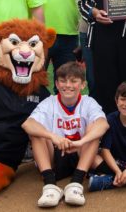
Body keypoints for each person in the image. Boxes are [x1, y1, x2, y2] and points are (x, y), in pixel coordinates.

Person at [24, 61, 109, 208]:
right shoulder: (49, 102)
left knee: (93, 130)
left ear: (83, 85)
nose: (67, 85)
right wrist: (53, 136)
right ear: (56, 84)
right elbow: (27, 124)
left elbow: (103, 125)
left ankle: (76, 183)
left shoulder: (88, 102)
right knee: (37, 133)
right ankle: (50, 186)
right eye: (63, 81)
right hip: (55, 158)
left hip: (80, 154)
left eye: (73, 81)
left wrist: (81, 142)